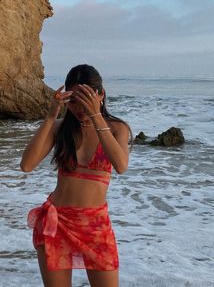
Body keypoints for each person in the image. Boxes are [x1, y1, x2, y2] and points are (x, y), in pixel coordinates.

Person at [20, 64, 133, 287]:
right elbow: (27, 165)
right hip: (56, 223)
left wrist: (95, 115)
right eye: (73, 101)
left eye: (85, 100)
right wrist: (51, 116)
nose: (78, 108)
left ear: (101, 95)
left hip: (96, 226)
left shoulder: (117, 129)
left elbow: (120, 165)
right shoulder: (60, 128)